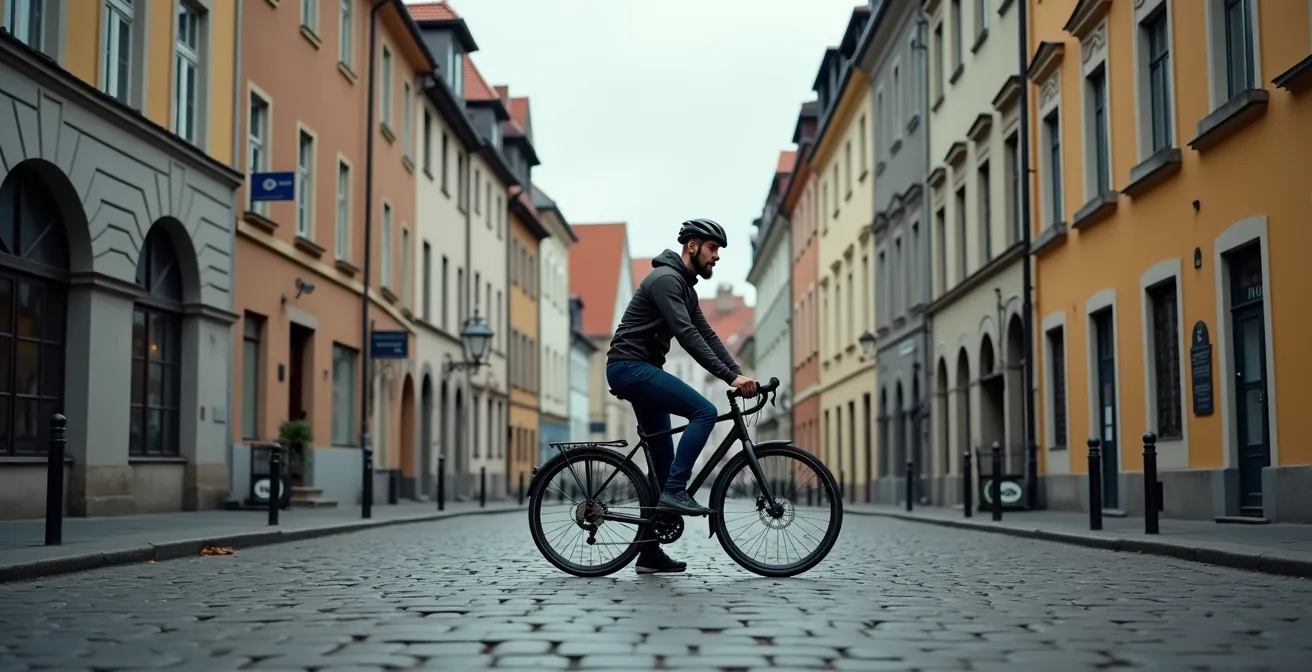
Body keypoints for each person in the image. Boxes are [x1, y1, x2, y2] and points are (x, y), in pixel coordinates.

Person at [605, 218, 759, 574]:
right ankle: (676, 491)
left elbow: (708, 335)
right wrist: (730, 378)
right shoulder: (665, 280)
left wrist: (738, 373)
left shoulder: (684, 288)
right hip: (629, 367)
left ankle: (649, 553)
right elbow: (687, 335)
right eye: (713, 248)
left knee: (663, 463)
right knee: (704, 411)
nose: (717, 256)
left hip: (640, 369)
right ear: (692, 246)